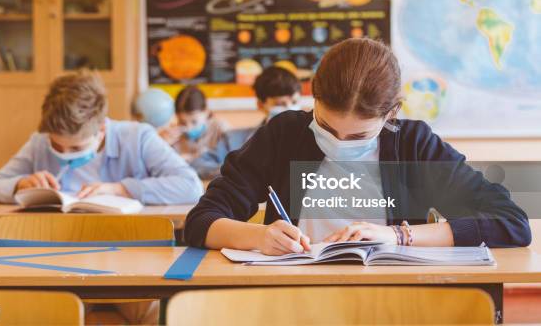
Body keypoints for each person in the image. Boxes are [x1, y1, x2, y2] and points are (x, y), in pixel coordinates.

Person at [185, 38, 531, 255]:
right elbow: (201, 222)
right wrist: (258, 236)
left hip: (393, 301)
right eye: (325, 127)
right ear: (314, 96)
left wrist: (398, 236)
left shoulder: (413, 144)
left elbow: (511, 223)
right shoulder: (284, 134)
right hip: (291, 298)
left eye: (358, 137)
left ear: (391, 113)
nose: (338, 142)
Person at [0, 71, 203, 206]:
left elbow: (191, 187)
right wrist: (19, 184)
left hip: (128, 247)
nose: (65, 155)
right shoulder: (39, 142)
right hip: (55, 248)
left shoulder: (138, 137)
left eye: (76, 147)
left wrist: (119, 189)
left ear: (102, 129)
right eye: (57, 145)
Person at [191, 66, 301, 179]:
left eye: (294, 102)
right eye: (280, 104)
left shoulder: (314, 137)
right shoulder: (232, 139)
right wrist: (236, 170)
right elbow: (197, 165)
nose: (290, 109)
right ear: (261, 104)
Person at [159, 85, 229, 165]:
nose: (189, 128)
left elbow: (230, 162)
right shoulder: (172, 135)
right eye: (182, 122)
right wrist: (162, 144)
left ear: (206, 111)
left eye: (194, 122)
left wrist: (192, 158)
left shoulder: (221, 129)